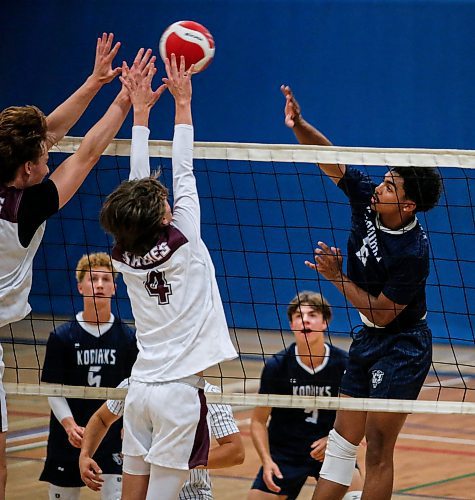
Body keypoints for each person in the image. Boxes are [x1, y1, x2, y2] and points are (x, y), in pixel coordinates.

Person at [281, 85, 443, 500]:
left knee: (377, 446)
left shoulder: (412, 251)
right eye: (386, 180)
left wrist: (336, 277)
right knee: (341, 439)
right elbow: (330, 158)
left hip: (403, 344)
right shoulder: (369, 202)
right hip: (369, 337)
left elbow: (386, 313)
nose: (380, 188)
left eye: (390, 187)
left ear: (407, 206)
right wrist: (299, 124)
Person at [0, 33, 134, 499]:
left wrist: (94, 80)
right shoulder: (27, 206)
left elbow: (48, 133)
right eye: (42, 157)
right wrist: (122, 100)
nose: (48, 152)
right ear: (29, 172)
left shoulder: (10, 168)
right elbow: (86, 152)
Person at [99, 54, 237, 500]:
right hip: (178, 395)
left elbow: (135, 188)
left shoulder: (122, 253)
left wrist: (141, 113)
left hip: (138, 389)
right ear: (163, 212)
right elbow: (184, 169)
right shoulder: (186, 240)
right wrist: (182, 104)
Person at [39, 252, 138, 500]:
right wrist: (69, 425)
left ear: (115, 288)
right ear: (80, 286)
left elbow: (136, 389)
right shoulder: (62, 337)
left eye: (106, 279)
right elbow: (53, 389)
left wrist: (128, 423)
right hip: (70, 438)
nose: (100, 285)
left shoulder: (128, 339)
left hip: (112, 437)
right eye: (93, 279)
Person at [248, 291, 363, 500]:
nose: (305, 321)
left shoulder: (344, 364)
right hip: (285, 453)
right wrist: (267, 461)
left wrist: (334, 439)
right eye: (299, 316)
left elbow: (362, 415)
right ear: (292, 325)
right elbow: (257, 421)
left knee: (355, 496)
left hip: (333, 450)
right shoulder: (277, 366)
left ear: (324, 322)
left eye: (312, 315)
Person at [79, 378, 244, 499]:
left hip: (191, 493)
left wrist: (179, 461)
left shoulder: (209, 393)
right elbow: (101, 418)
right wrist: (85, 454)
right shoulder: (135, 385)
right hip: (139, 489)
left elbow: (235, 451)